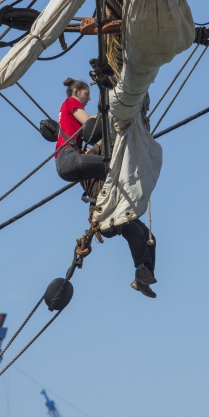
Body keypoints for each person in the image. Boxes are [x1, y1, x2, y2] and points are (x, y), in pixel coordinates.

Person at [56, 77, 158, 299]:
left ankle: (144, 276)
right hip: (101, 211)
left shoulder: (88, 159)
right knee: (109, 165)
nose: (89, 97)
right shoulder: (71, 105)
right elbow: (89, 123)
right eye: (86, 94)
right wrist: (107, 117)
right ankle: (141, 270)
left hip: (111, 206)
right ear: (76, 92)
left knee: (147, 235)